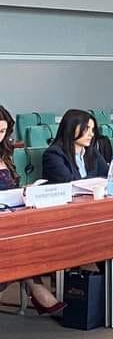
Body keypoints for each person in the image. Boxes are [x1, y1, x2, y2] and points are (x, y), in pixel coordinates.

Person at [0, 104, 65, 315]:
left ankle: (33, 285)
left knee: (34, 236)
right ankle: (36, 288)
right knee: (21, 244)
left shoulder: (4, 155)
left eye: (2, 131)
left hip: (10, 218)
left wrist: (25, 191)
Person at [43, 108, 113, 183]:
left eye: (92, 130)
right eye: (86, 129)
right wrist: (97, 180)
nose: (91, 134)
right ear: (71, 128)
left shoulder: (92, 152)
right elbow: (69, 182)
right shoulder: (53, 154)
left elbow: (107, 174)